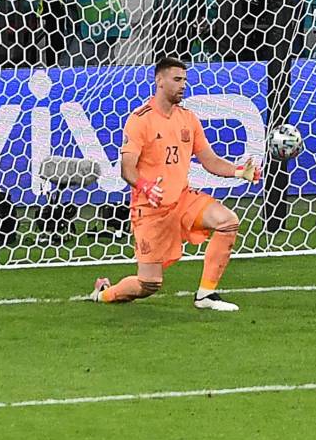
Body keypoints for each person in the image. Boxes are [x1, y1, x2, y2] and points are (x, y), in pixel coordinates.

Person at [90, 57, 261, 311]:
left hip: (182, 200)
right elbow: (127, 168)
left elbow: (210, 160)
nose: (183, 85)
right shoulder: (140, 119)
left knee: (228, 221)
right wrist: (145, 186)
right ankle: (103, 293)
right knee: (149, 284)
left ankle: (205, 295)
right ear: (159, 81)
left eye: (185, 80)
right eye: (177, 79)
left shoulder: (188, 118)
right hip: (150, 209)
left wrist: (238, 172)